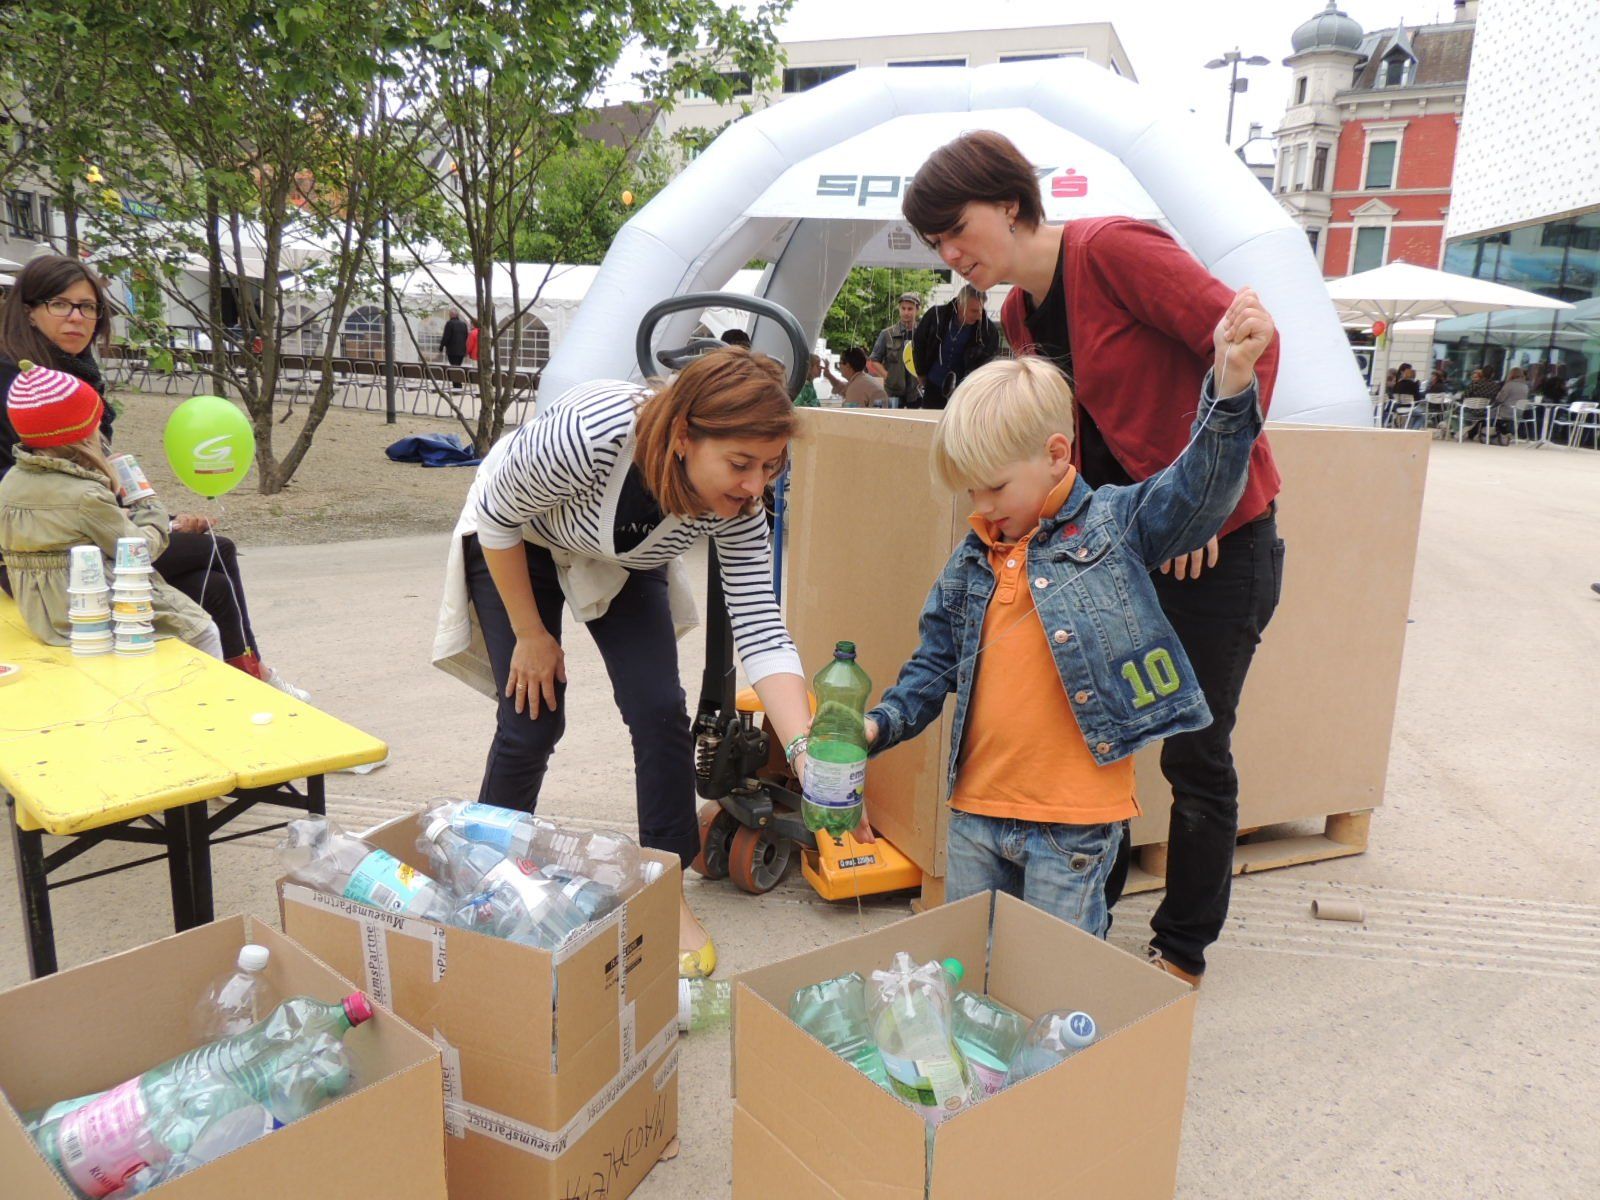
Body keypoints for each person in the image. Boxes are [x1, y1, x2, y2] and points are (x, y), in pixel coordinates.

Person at [902, 130, 1285, 987]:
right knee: (1093, 731)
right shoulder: (1015, 315)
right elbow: (1064, 448)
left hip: (1218, 541)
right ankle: (1084, 923)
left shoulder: (1113, 251)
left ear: (1010, 203)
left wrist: (1204, 508)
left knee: (1194, 752)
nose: (950, 254)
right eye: (935, 244)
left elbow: (1251, 347)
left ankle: (1181, 948)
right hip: (1121, 546)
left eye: (956, 229)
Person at [857, 292, 1273, 936]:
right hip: (975, 815)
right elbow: (933, 666)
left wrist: (1231, 384)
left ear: (1056, 454)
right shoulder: (972, 561)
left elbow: (1199, 491)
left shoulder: (1115, 524)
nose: (981, 506)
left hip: (1073, 826)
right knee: (972, 970)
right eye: (971, 489)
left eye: (995, 486)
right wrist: (878, 725)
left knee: (1056, 979)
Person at [433, 347, 833, 979]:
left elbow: (761, 627)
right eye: (740, 464)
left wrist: (808, 754)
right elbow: (499, 516)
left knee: (659, 711)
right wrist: (531, 634)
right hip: (519, 538)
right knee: (532, 717)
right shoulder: (592, 431)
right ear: (683, 436)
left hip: (625, 558)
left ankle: (664, 892)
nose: (755, 486)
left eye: (770, 466)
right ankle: (484, 880)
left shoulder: (740, 506)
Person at [0, 255, 302, 693]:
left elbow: (87, 481)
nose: (77, 318)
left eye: (88, 307)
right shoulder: (23, 385)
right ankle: (252, 680)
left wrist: (161, 519)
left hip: (85, 535)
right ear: (29, 310)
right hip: (50, 557)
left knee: (211, 585)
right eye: (60, 304)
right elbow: (54, 489)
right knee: (216, 550)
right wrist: (154, 520)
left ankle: (241, 681)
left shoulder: (71, 372)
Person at [0, 361, 224, 656]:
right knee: (203, 630)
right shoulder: (85, 494)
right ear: (83, 433)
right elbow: (137, 552)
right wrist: (148, 505)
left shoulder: (11, 482)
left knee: (208, 586)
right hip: (90, 610)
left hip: (40, 610)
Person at [913, 284, 1000, 409]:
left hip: (965, 392)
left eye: (981, 310)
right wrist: (920, 373)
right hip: (933, 385)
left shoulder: (988, 331)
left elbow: (988, 364)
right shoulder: (936, 316)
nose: (978, 315)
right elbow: (919, 344)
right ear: (960, 305)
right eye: (974, 311)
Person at [869, 293, 922, 409]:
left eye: (910, 309)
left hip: (917, 392)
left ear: (917, 310)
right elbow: (874, 359)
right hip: (893, 393)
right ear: (899, 309)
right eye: (903, 308)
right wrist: (887, 376)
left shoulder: (923, 333)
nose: (906, 312)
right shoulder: (887, 334)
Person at [823, 347, 888, 408]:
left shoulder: (857, 387)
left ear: (848, 365)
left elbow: (850, 414)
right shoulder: (861, 380)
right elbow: (843, 388)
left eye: (840, 363)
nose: (839, 366)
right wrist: (828, 375)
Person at [1460, 368, 1501, 442]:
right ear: (1492, 375)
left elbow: (1464, 397)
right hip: (1485, 412)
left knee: (1454, 412)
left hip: (1470, 411)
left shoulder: (1475, 384)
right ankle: (1471, 431)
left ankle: (1462, 431)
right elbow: (1496, 399)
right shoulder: (1496, 386)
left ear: (1482, 374)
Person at [1494, 366, 1531, 442]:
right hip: (1519, 412)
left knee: (1491, 411)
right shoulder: (1525, 386)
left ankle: (1494, 433)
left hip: (1507, 411)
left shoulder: (1509, 385)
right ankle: (1510, 433)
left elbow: (1500, 399)